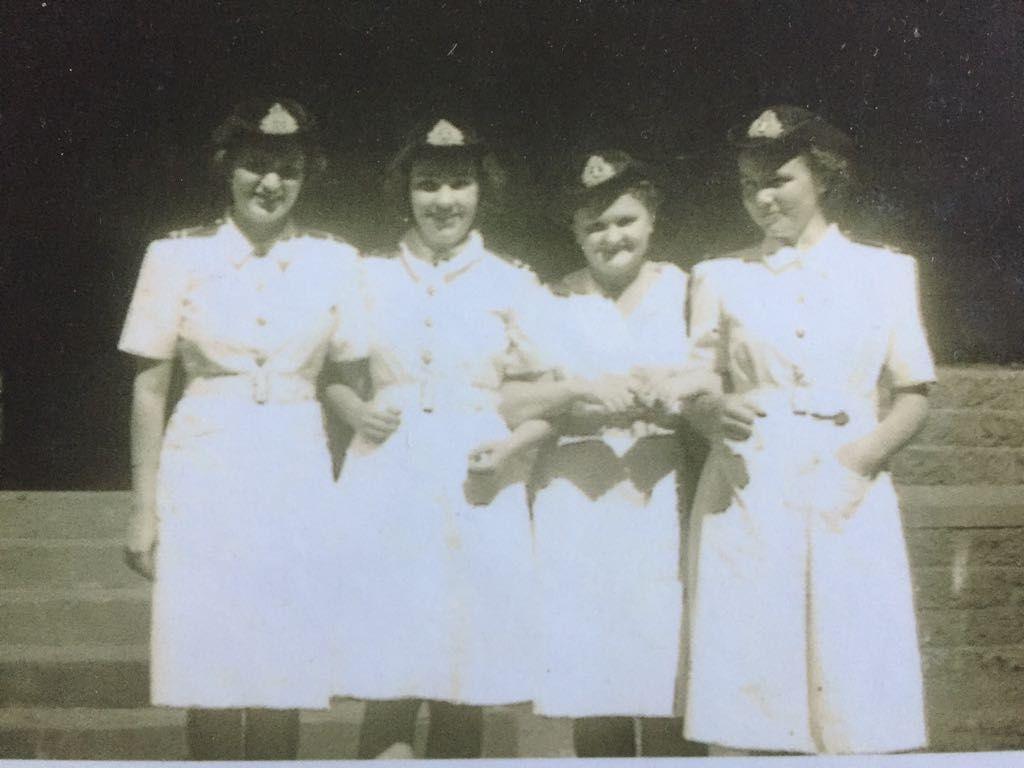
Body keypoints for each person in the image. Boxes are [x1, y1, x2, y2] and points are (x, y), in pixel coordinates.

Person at [683, 105, 934, 755]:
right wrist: (709, 410)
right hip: (746, 489)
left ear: (822, 176)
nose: (763, 198)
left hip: (847, 491)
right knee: (749, 684)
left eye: (779, 179)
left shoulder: (884, 273)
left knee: (848, 685)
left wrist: (856, 462)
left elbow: (912, 395)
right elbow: (696, 382)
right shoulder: (719, 275)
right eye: (748, 185)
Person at [119, 98, 365, 760]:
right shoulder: (175, 257)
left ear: (305, 175)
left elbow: (350, 379)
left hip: (295, 465)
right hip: (205, 466)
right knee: (210, 661)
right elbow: (149, 388)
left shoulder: (335, 262)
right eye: (256, 166)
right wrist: (143, 508)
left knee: (284, 662)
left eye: (287, 170)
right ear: (228, 169)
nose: (270, 184)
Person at [326, 117, 548, 760]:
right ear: (406, 192)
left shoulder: (511, 281)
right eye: (428, 185)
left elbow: (547, 394)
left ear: (482, 191)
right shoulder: (367, 275)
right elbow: (332, 374)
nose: (444, 200)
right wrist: (353, 410)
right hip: (387, 479)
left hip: (472, 484)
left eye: (459, 183)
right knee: (387, 668)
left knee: (460, 671)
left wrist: (510, 448)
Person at [499, 150, 714, 757]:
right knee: (597, 688)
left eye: (624, 220)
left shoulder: (687, 290)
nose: (610, 237)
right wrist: (577, 395)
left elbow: (718, 376)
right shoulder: (552, 299)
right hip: (578, 502)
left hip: (664, 494)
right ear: (574, 231)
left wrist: (671, 394)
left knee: (673, 679)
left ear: (651, 221)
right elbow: (512, 399)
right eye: (593, 225)